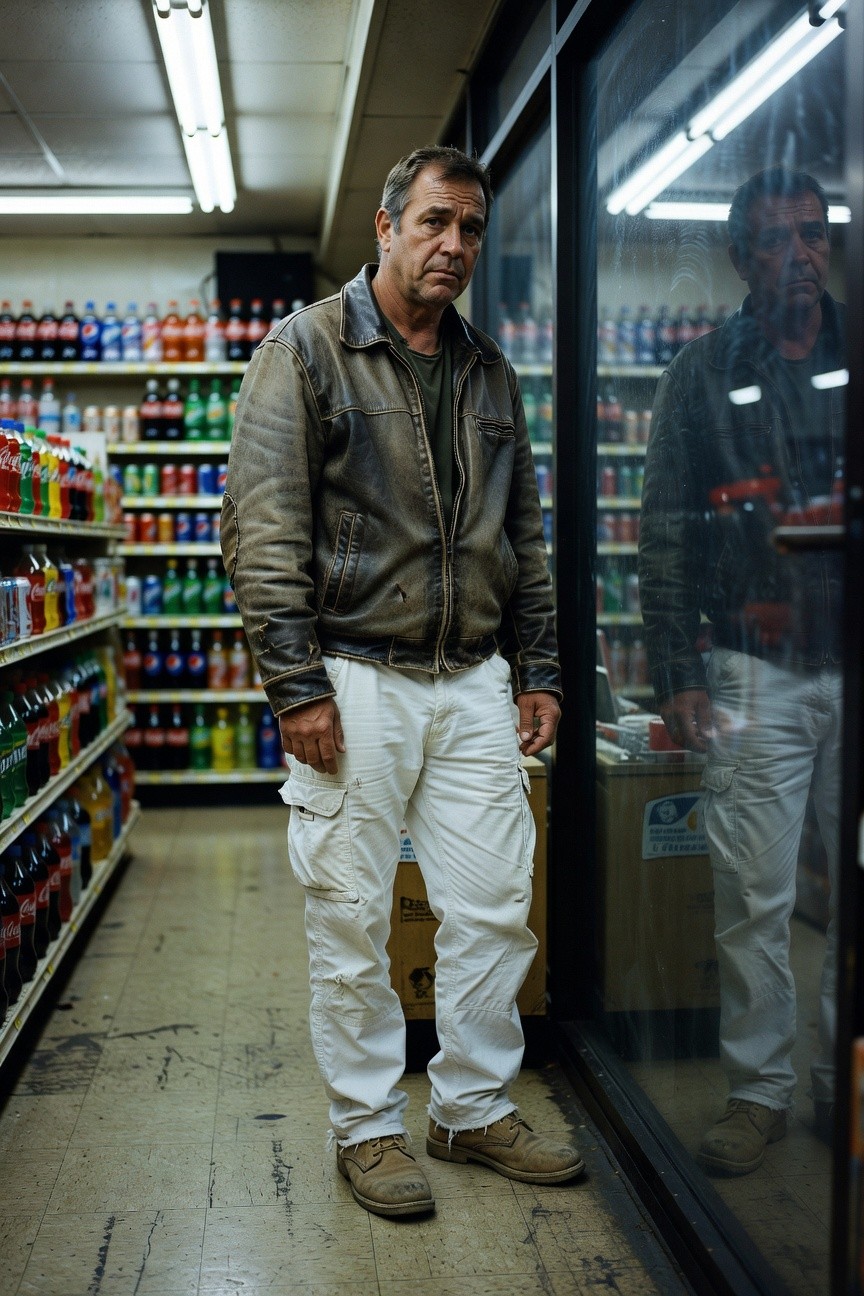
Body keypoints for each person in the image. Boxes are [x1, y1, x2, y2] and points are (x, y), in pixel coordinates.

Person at [221, 145, 584, 1217]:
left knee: (496, 907)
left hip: (472, 678)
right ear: (385, 228)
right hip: (354, 674)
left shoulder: (488, 372)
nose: (453, 246)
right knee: (350, 913)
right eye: (433, 222)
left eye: (470, 228)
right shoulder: (307, 350)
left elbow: (521, 532)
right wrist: (295, 684)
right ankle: (367, 1127)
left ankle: (470, 1107)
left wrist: (540, 668)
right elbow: (262, 527)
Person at [638, 166, 844, 1175]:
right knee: (754, 897)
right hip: (752, 666)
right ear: (741, 258)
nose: (800, 253)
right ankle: (760, 1090)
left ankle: (845, 1082)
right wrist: (678, 665)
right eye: (777, 239)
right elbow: (667, 526)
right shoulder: (703, 372)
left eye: (814, 233)